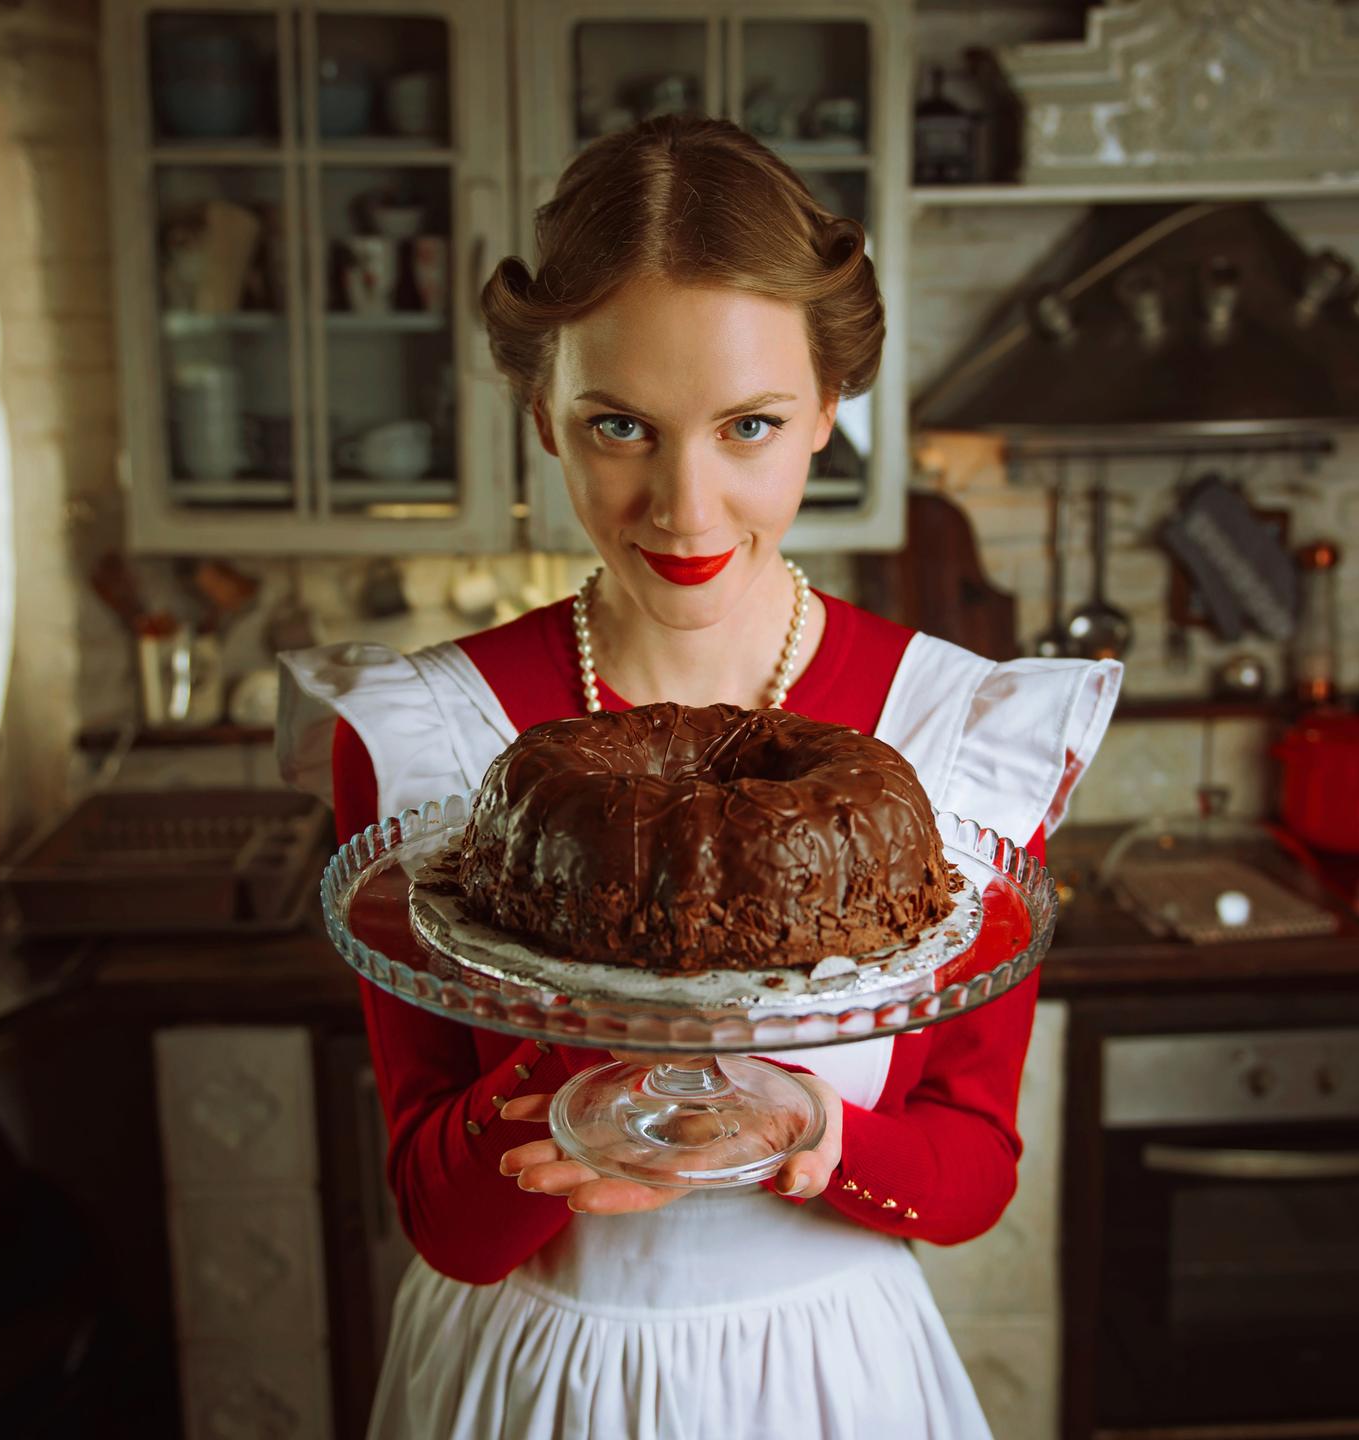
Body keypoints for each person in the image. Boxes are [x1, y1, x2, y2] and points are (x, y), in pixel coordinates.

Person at [278, 115, 1120, 1440]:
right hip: (534, 1379)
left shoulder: (954, 730)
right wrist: (598, 1075)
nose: (684, 505)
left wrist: (810, 1129)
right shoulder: (426, 734)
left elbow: (970, 1177)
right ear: (541, 415)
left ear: (830, 408)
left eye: (750, 426)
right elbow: (447, 1224)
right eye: (620, 425)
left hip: (830, 1378)